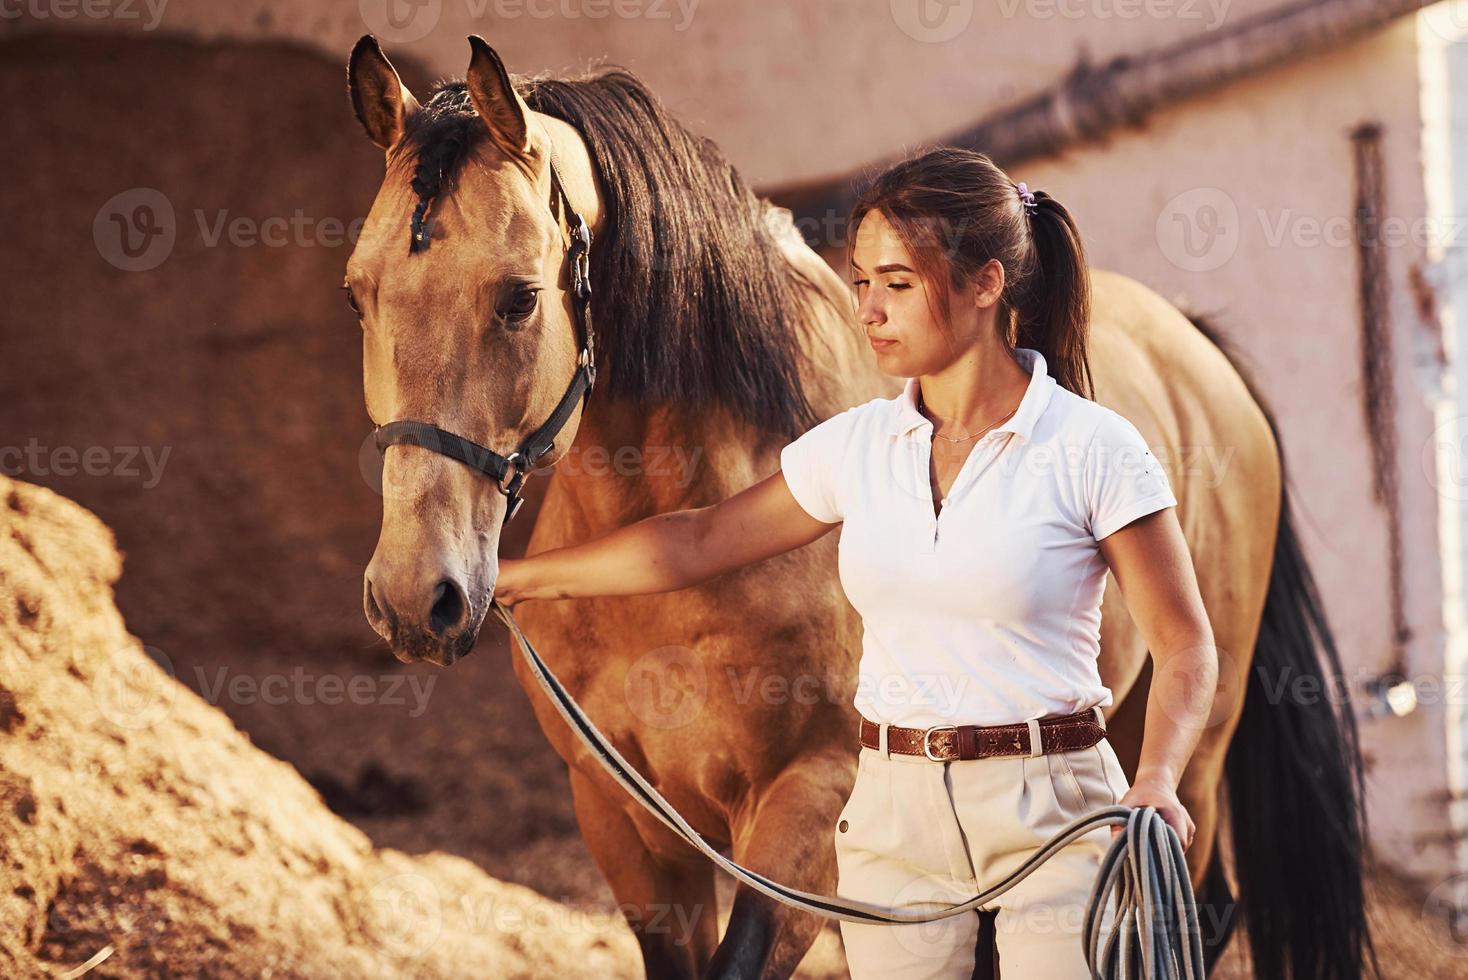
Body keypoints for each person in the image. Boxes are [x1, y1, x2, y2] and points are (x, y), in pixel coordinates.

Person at [493, 146, 1217, 978]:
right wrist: (515, 578)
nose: (868, 310)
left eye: (898, 285)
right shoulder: (860, 444)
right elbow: (693, 541)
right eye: (861, 281)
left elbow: (1187, 646)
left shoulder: (1094, 446)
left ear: (986, 284)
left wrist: (1157, 777)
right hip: (891, 809)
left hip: (1050, 803)